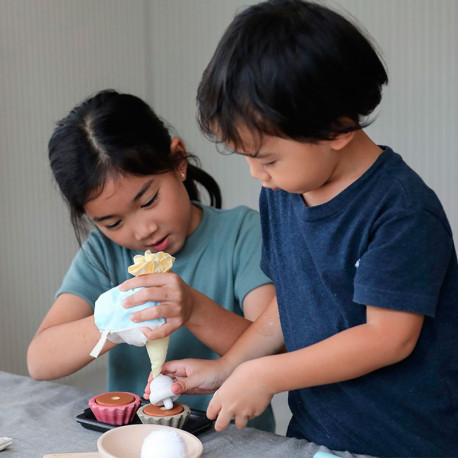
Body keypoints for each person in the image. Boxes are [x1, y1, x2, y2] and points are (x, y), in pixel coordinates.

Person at [159, 1, 458, 456]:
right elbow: (291, 302)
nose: (256, 175)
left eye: (268, 159)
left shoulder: (401, 210)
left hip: (404, 442)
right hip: (316, 434)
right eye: (247, 158)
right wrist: (231, 366)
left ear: (337, 127)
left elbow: (388, 337)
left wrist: (267, 375)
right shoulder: (282, 192)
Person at [27, 89, 276, 432]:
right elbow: (40, 361)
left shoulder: (244, 234)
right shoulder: (105, 251)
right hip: (135, 439)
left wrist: (192, 309)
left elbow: (273, 351)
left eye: (149, 201)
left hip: (235, 438)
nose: (144, 230)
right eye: (113, 223)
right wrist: (117, 318)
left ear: (178, 162)